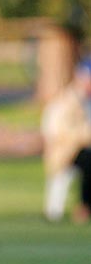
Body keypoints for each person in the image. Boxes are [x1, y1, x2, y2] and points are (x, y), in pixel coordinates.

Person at [41, 58, 91, 223]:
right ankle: (84, 206)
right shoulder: (66, 101)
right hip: (66, 152)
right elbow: (56, 131)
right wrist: (82, 136)